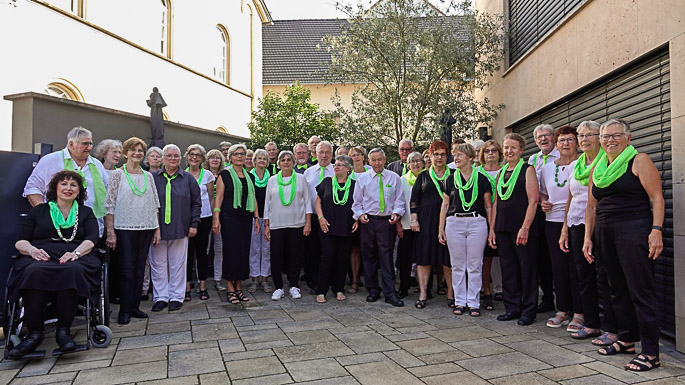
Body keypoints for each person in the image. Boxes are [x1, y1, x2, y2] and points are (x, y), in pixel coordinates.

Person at [583, 119, 664, 372]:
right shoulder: (597, 168)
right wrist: (588, 237)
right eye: (605, 136)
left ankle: (651, 353)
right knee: (615, 288)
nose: (610, 140)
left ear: (627, 138)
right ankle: (626, 339)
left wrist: (656, 231)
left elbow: (657, 198)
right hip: (604, 232)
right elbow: (591, 206)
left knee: (641, 290)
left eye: (616, 136)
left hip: (634, 229)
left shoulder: (639, 160)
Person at [10, 171, 101, 357]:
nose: (68, 188)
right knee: (34, 271)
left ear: (79, 191)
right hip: (40, 254)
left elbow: (92, 239)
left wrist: (76, 253)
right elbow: (20, 240)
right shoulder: (39, 211)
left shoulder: (85, 212)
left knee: (71, 270)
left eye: (73, 185)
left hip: (76, 255)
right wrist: (32, 250)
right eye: (64, 184)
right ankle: (34, 334)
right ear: (55, 188)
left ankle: (64, 332)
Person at [559, 121, 618, 343]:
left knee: (605, 275)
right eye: (580, 135)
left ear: (599, 138)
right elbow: (571, 197)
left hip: (599, 224)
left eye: (589, 135)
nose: (584, 139)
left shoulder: (606, 162)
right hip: (576, 223)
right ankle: (591, 323)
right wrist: (565, 227)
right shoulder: (577, 165)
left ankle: (612, 326)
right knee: (583, 276)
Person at [104, 137, 160, 324]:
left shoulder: (148, 176)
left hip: (146, 227)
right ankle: (124, 310)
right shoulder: (117, 175)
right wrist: (110, 231)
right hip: (124, 228)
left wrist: (157, 229)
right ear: (126, 153)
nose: (137, 153)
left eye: (140, 150)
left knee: (139, 268)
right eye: (133, 150)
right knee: (127, 269)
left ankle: (135, 306)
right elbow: (109, 205)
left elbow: (155, 204)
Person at [489, 133, 539, 326]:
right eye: (506, 147)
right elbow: (495, 203)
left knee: (527, 270)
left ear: (521, 150)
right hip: (502, 227)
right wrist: (493, 229)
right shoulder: (501, 173)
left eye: (513, 147)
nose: (509, 151)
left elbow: (533, 201)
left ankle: (528, 310)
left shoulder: (528, 170)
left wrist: (525, 228)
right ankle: (512, 308)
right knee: (507, 269)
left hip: (522, 228)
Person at [24, 127, 109, 236]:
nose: (89, 148)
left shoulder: (96, 164)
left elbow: (107, 194)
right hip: (56, 226)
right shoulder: (51, 160)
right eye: (85, 144)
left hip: (91, 227)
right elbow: (32, 188)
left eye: (91, 144)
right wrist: (44, 213)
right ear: (71, 144)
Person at [439, 143, 493, 316]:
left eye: (460, 154)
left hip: (477, 223)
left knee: (475, 264)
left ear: (471, 157)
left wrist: (491, 229)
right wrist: (441, 228)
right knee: (457, 264)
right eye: (455, 154)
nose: (456, 158)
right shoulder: (449, 179)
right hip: (455, 223)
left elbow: (488, 206)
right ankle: (460, 301)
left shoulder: (482, 178)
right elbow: (445, 205)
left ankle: (474, 302)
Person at [539, 126, 584, 330]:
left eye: (570, 139)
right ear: (556, 145)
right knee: (558, 268)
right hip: (552, 222)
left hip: (576, 221)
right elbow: (542, 193)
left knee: (577, 268)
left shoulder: (582, 164)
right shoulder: (547, 168)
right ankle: (562, 310)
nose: (565, 143)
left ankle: (580, 312)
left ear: (577, 142)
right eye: (562, 140)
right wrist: (543, 202)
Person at [150, 144, 201, 312]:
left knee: (178, 264)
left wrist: (194, 224)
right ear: (164, 158)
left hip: (180, 227)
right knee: (158, 264)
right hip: (157, 229)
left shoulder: (188, 179)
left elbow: (196, 203)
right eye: (169, 155)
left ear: (181, 158)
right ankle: (160, 297)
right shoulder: (152, 177)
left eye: (176, 156)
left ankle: (176, 297)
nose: (173, 158)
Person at [352, 148, 405, 307]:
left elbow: (399, 200)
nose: (377, 163)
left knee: (387, 257)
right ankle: (373, 290)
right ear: (369, 161)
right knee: (369, 256)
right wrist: (360, 214)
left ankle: (390, 292)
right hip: (368, 222)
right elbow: (357, 202)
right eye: (373, 160)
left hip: (386, 222)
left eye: (379, 159)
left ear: (385, 159)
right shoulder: (363, 179)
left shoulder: (394, 177)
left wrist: (396, 213)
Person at [213, 144, 260, 304]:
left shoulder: (250, 176)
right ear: (230, 157)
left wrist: (256, 218)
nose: (240, 157)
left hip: (245, 219)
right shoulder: (224, 175)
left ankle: (239, 286)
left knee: (242, 252)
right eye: (237, 154)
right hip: (229, 218)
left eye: (243, 154)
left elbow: (253, 198)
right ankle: (230, 287)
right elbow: (218, 197)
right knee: (230, 252)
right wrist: (216, 218)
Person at [264, 150, 312, 300]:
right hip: (277, 225)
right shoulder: (272, 180)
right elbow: (267, 203)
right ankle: (278, 287)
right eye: (283, 160)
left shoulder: (301, 178)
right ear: (278, 164)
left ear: (293, 162)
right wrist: (266, 225)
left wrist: (308, 223)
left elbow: (308, 201)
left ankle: (294, 286)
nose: (286, 162)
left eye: (289, 160)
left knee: (295, 257)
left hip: (296, 224)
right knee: (276, 256)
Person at [410, 141, 453, 308]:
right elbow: (414, 200)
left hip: (449, 221)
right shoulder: (423, 176)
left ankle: (451, 293)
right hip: (426, 222)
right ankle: (422, 294)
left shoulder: (454, 174)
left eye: (443, 154)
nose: (439, 157)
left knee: (448, 259)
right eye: (436, 154)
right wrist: (414, 219)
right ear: (430, 156)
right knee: (424, 259)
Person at [314, 155, 358, 302]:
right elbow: (317, 202)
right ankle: (321, 291)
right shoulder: (327, 182)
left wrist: (357, 219)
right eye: (335, 165)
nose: (336, 167)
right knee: (327, 258)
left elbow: (359, 204)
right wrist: (320, 218)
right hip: (327, 226)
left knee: (342, 259)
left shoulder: (354, 184)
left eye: (340, 165)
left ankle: (339, 289)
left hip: (346, 227)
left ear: (348, 169)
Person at [529, 124, 559, 313]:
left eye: (546, 136)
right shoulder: (533, 159)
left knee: (558, 257)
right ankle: (548, 299)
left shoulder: (563, 154)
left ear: (554, 137)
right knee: (542, 259)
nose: (543, 139)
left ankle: (567, 302)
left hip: (559, 213)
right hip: (539, 212)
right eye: (539, 137)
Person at [183, 144, 215, 301]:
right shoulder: (182, 174)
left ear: (202, 158)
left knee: (202, 252)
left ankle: (203, 286)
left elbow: (211, 197)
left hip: (205, 218)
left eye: (198, 155)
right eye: (191, 154)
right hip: (186, 219)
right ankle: (187, 286)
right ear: (187, 156)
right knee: (187, 253)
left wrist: (215, 218)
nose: (194, 157)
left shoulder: (208, 175)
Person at [303, 141, 335, 292]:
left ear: (332, 154)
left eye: (327, 152)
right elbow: (305, 197)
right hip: (313, 218)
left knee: (328, 252)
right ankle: (313, 279)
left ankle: (328, 280)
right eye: (320, 152)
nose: (324, 155)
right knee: (313, 251)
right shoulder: (308, 173)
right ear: (315, 153)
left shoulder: (337, 171)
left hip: (331, 219)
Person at [477, 140, 504, 310]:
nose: (491, 154)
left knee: (502, 256)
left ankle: (501, 288)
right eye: (487, 151)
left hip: (503, 215)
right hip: (482, 216)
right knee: (485, 257)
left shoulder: (506, 171)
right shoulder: (476, 172)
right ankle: (484, 289)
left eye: (494, 150)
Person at [398, 151, 423, 298]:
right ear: (407, 165)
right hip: (406, 224)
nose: (415, 164)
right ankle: (403, 286)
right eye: (412, 161)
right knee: (405, 258)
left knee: (423, 257)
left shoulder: (428, 178)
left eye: (418, 160)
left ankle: (423, 287)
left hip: (424, 225)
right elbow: (398, 202)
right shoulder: (402, 180)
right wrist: (398, 225)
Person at [247, 149, 272, 293]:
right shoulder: (249, 177)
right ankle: (255, 279)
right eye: (259, 158)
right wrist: (256, 217)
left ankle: (265, 279)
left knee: (266, 249)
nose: (262, 161)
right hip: (253, 218)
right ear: (254, 161)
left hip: (269, 218)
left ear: (267, 162)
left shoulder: (273, 178)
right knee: (254, 249)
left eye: (264, 158)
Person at [141, 146, 164, 299]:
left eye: (158, 156)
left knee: (157, 254)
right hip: (143, 217)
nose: (155, 158)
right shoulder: (142, 175)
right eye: (152, 156)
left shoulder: (164, 176)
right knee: (144, 256)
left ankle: (155, 285)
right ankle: (143, 286)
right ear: (147, 159)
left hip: (160, 217)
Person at [348, 146, 370, 293]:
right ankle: (355, 280)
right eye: (353, 155)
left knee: (369, 250)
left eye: (358, 155)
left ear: (364, 157)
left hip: (370, 218)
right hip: (354, 218)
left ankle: (370, 282)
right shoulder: (349, 177)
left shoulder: (371, 173)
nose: (356, 157)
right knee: (354, 250)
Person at [204, 149, 227, 291]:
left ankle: (218, 279)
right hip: (205, 215)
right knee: (204, 249)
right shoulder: (203, 174)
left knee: (219, 248)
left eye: (218, 158)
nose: (215, 160)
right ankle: (202, 280)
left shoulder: (225, 175)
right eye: (212, 157)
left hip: (221, 215)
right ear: (207, 160)